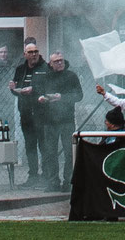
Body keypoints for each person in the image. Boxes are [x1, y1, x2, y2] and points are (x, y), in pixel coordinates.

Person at [30, 50, 81, 186]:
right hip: (49, 121)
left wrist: (62, 97)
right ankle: (53, 182)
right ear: (50, 64)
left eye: (61, 60)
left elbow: (79, 95)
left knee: (69, 152)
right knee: (50, 153)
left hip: (67, 120)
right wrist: (41, 98)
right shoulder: (45, 77)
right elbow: (37, 93)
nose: (59, 63)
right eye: (56, 61)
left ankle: (68, 181)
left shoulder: (71, 76)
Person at [7, 42, 48, 185]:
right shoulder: (20, 69)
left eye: (36, 51)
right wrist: (13, 88)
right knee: (30, 145)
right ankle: (33, 175)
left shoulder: (45, 68)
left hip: (42, 113)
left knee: (44, 144)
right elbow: (17, 88)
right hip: (25, 112)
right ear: (25, 54)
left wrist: (34, 90)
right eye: (30, 52)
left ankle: (47, 175)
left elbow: (48, 87)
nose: (34, 54)